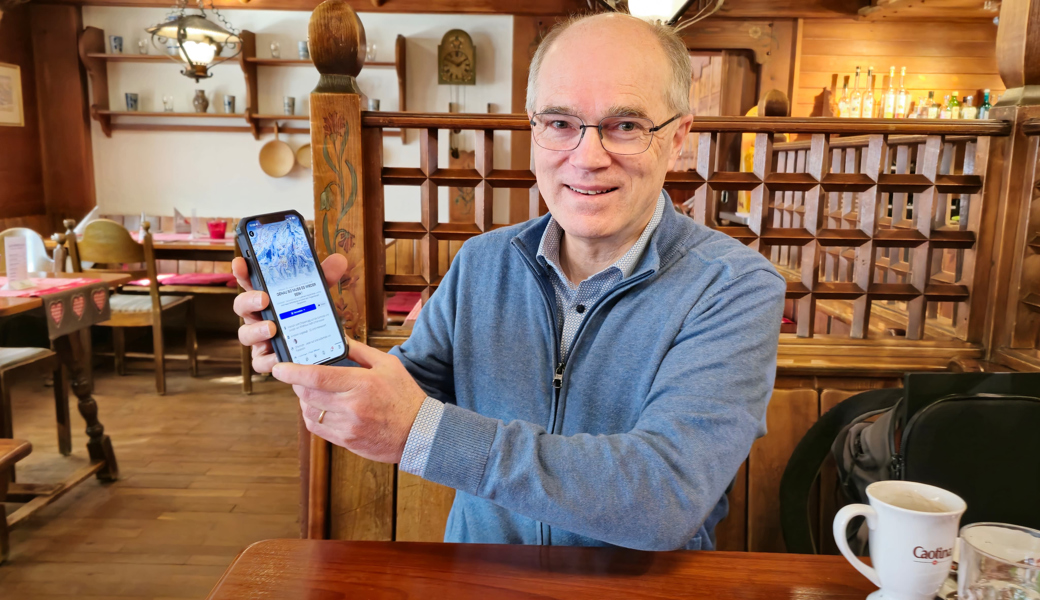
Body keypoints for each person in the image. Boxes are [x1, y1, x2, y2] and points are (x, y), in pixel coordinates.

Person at [233, 12, 786, 551]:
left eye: (625, 125)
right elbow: (407, 393)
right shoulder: (483, 261)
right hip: (482, 578)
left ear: (677, 138)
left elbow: (664, 497)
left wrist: (426, 432)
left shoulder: (733, 287)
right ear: (535, 131)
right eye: (560, 123)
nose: (587, 157)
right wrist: (319, 347)